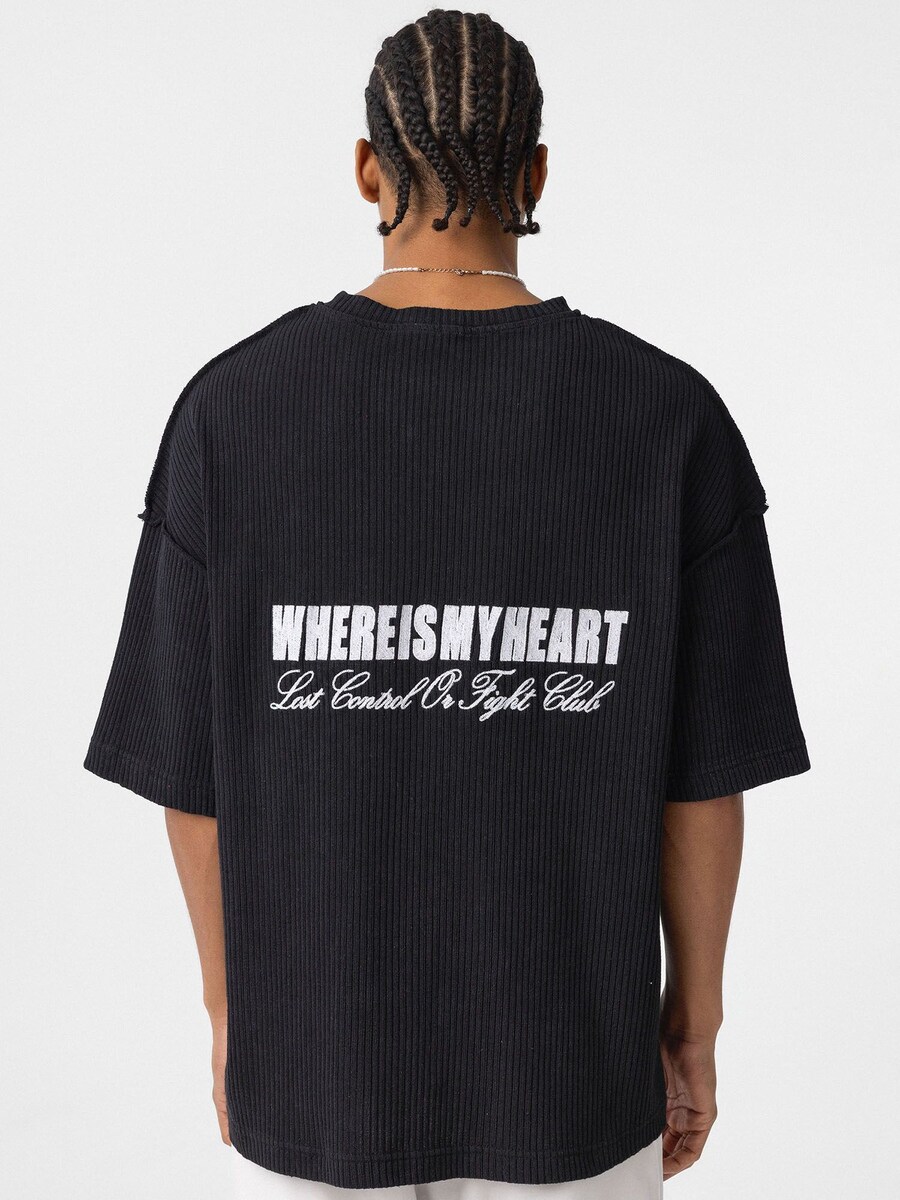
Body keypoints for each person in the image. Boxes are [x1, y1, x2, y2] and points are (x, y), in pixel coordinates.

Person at [83, 9, 810, 1199]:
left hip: (316, 1075)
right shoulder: (668, 419)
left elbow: (193, 782)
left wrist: (231, 1013)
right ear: (537, 174)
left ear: (367, 169)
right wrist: (693, 1028)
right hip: (573, 1083)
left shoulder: (232, 412)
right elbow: (702, 786)